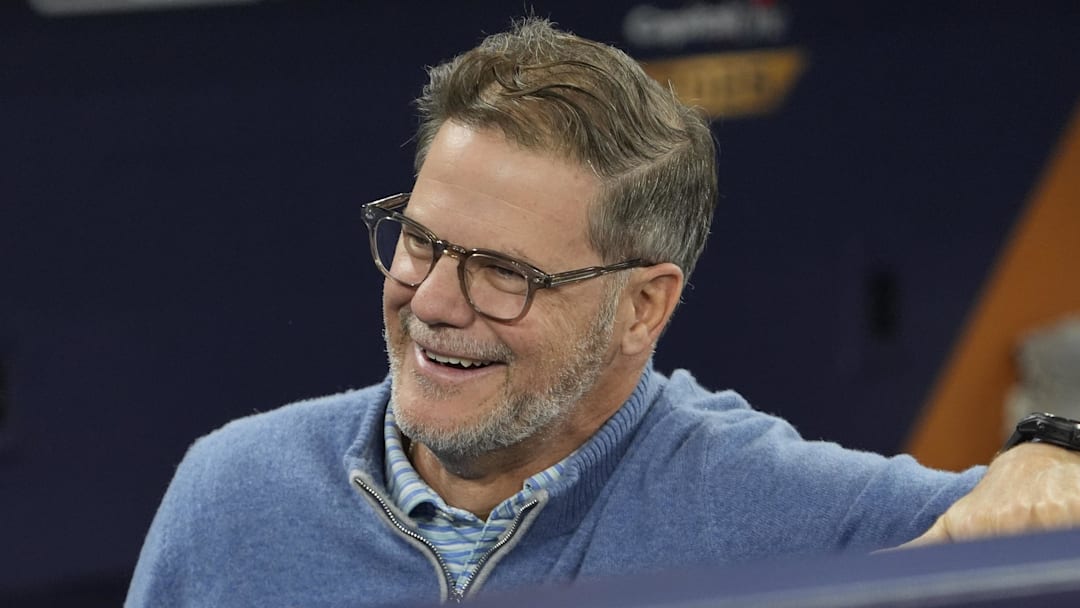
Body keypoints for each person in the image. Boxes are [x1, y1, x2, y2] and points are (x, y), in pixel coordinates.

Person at [126, 17, 1080, 607]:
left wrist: (1053, 445)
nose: (434, 301)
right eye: (420, 241)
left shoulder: (774, 508)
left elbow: (1033, 517)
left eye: (504, 272)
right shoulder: (231, 496)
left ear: (643, 306)